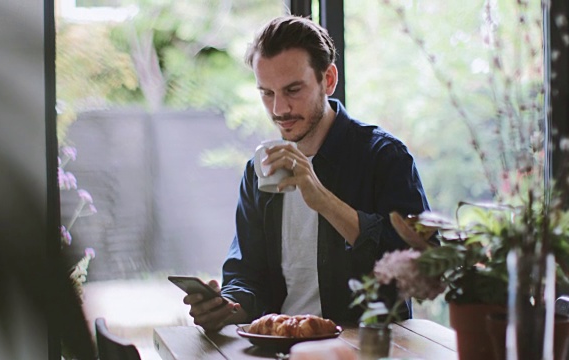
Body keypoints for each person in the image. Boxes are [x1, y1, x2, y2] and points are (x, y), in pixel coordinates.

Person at [183, 15, 431, 331]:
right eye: (267, 93)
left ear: (328, 80)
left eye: (293, 89)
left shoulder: (384, 156)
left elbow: (419, 266)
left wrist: (323, 200)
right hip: (278, 346)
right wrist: (224, 309)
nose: (279, 109)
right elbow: (246, 275)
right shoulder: (259, 171)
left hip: (366, 348)